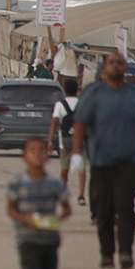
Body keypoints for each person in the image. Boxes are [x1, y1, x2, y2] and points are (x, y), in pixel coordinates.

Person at [72, 52, 135, 269]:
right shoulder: (94, 93)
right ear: (104, 69)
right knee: (104, 209)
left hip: (129, 160)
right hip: (101, 161)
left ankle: (126, 252)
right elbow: (80, 123)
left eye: (120, 62)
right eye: (111, 63)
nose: (116, 66)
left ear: (125, 68)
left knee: (125, 205)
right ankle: (107, 253)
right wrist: (77, 153)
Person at [7, 136, 72, 269]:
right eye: (32, 150)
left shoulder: (55, 183)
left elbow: (67, 209)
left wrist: (56, 219)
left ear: (47, 156)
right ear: (24, 157)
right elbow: (11, 209)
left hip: (50, 239)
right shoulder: (17, 182)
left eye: (41, 150)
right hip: (26, 238)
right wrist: (24, 219)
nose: (37, 154)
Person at [47, 79, 85, 207]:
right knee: (82, 169)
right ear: (77, 90)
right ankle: (81, 195)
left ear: (65, 91)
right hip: (80, 139)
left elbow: (55, 122)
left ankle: (62, 193)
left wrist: (50, 140)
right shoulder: (82, 103)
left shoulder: (60, 104)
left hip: (65, 140)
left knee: (64, 168)